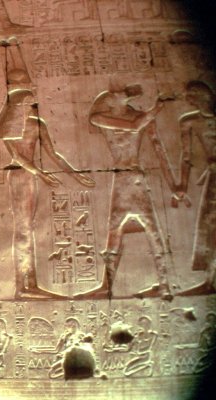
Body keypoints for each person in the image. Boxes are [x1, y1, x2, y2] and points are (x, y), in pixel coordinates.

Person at [0, 88, 95, 298]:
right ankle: (22, 286)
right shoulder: (10, 127)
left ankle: (29, 283)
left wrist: (75, 175)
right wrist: (41, 173)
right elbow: (17, 157)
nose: (31, 107)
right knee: (23, 229)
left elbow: (53, 154)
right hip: (19, 176)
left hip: (30, 177)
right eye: (26, 104)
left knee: (28, 228)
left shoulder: (38, 125)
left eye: (32, 103)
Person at [79, 82, 175, 301]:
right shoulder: (100, 118)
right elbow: (133, 126)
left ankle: (164, 285)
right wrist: (157, 108)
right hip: (123, 176)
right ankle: (110, 286)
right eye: (112, 94)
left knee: (147, 228)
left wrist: (174, 185)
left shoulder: (141, 117)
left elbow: (158, 148)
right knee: (118, 229)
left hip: (132, 176)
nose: (113, 95)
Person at [174, 81, 216, 296]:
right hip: (213, 177)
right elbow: (186, 156)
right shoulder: (189, 121)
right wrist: (181, 185)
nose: (188, 101)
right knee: (209, 228)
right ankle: (210, 280)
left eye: (190, 96)